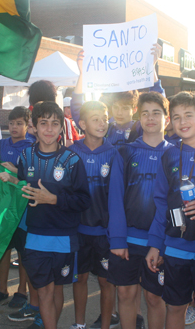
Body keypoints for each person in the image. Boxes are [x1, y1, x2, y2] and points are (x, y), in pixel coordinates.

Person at [0, 101, 91, 329]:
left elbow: (84, 201)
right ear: (34, 127)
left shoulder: (72, 161)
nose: (49, 129)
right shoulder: (26, 156)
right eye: (43, 123)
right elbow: (25, 187)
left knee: (56, 288)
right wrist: (13, 180)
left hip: (64, 238)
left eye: (54, 124)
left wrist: (53, 199)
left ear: (62, 127)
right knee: (44, 290)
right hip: (35, 237)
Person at [146, 91, 195, 329]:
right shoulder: (169, 155)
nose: (183, 122)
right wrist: (155, 244)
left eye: (188, 115)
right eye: (177, 117)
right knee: (175, 307)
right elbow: (161, 203)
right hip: (177, 246)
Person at [108, 92, 173, 329]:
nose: (150, 118)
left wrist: (162, 243)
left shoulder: (175, 154)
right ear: (138, 117)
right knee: (125, 294)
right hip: (127, 239)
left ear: (167, 118)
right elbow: (115, 198)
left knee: (154, 297)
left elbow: (175, 205)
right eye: (145, 113)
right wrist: (117, 239)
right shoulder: (125, 152)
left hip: (160, 241)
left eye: (157, 112)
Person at [69, 100, 118, 329]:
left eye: (104, 118)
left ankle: (106, 325)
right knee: (79, 278)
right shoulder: (70, 153)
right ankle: (79, 324)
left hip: (104, 233)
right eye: (95, 119)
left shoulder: (114, 154)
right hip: (77, 231)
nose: (101, 123)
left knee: (106, 281)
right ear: (82, 123)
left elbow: (118, 199)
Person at [0, 106, 35, 308]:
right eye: (12, 123)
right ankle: (2, 288)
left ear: (27, 125)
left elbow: (32, 175)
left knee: (22, 251)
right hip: (2, 206)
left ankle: (21, 291)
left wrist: (18, 172)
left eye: (19, 123)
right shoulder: (0, 145)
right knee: (2, 247)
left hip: (22, 208)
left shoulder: (32, 146)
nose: (14, 127)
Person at [71, 46, 164, 149]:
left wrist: (151, 67)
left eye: (125, 108)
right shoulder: (105, 126)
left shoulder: (141, 127)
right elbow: (78, 110)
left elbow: (159, 101)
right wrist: (83, 74)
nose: (119, 113)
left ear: (134, 109)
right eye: (116, 107)